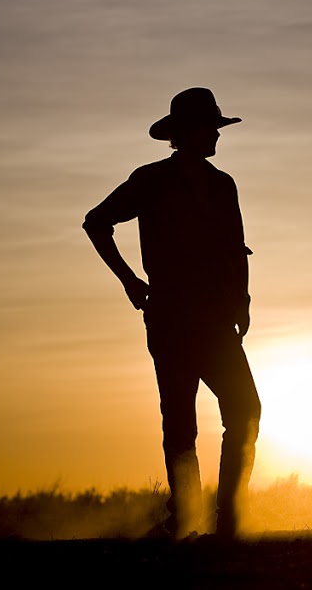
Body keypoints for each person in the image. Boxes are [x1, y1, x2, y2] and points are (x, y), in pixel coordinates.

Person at [83, 87, 261, 540]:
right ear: (185, 134)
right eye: (210, 128)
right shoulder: (151, 180)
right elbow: (96, 221)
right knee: (182, 420)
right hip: (173, 315)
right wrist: (129, 280)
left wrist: (241, 300)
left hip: (215, 319)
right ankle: (187, 520)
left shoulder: (224, 185)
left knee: (243, 409)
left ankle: (227, 519)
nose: (217, 136)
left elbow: (234, 248)